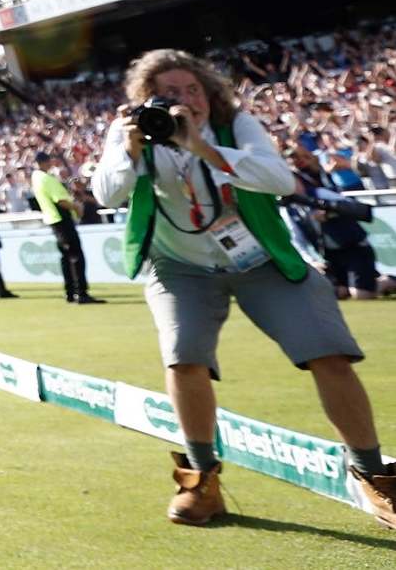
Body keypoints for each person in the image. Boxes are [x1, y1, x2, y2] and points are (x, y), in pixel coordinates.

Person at [92, 47, 396, 528]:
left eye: (193, 90)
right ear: (148, 98)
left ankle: (375, 477)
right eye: (170, 93)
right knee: (183, 355)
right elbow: (107, 194)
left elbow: (278, 180)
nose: (185, 100)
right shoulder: (129, 129)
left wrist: (203, 148)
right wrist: (130, 150)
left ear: (209, 95)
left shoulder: (238, 125)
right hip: (179, 264)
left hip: (261, 258)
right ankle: (201, 482)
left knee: (329, 352)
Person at [32, 151, 99, 305]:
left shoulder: (36, 177)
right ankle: (80, 292)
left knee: (66, 257)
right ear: (45, 162)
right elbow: (61, 200)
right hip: (61, 219)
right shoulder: (46, 178)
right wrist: (76, 207)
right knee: (75, 256)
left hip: (53, 220)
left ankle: (70, 292)